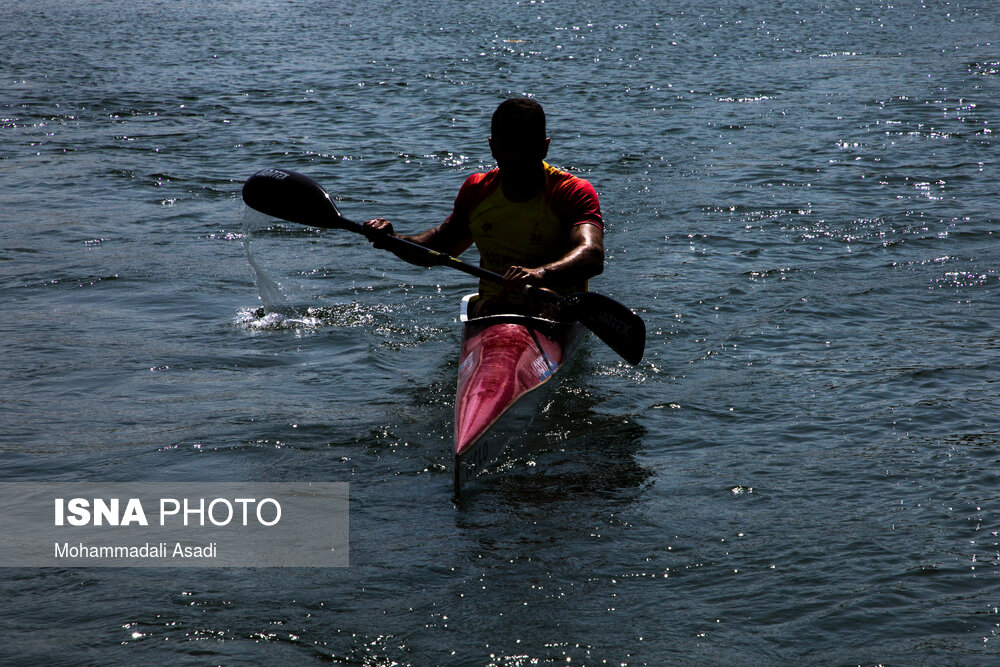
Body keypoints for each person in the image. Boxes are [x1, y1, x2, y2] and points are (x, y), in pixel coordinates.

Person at [362, 97, 604, 318]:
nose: (516, 156)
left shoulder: (572, 191)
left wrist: (540, 273)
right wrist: (392, 239)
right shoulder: (477, 190)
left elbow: (592, 255)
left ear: (544, 147)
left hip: (551, 305)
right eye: (507, 146)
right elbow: (438, 247)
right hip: (494, 307)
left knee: (542, 301)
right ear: (492, 147)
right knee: (488, 307)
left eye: (527, 146)